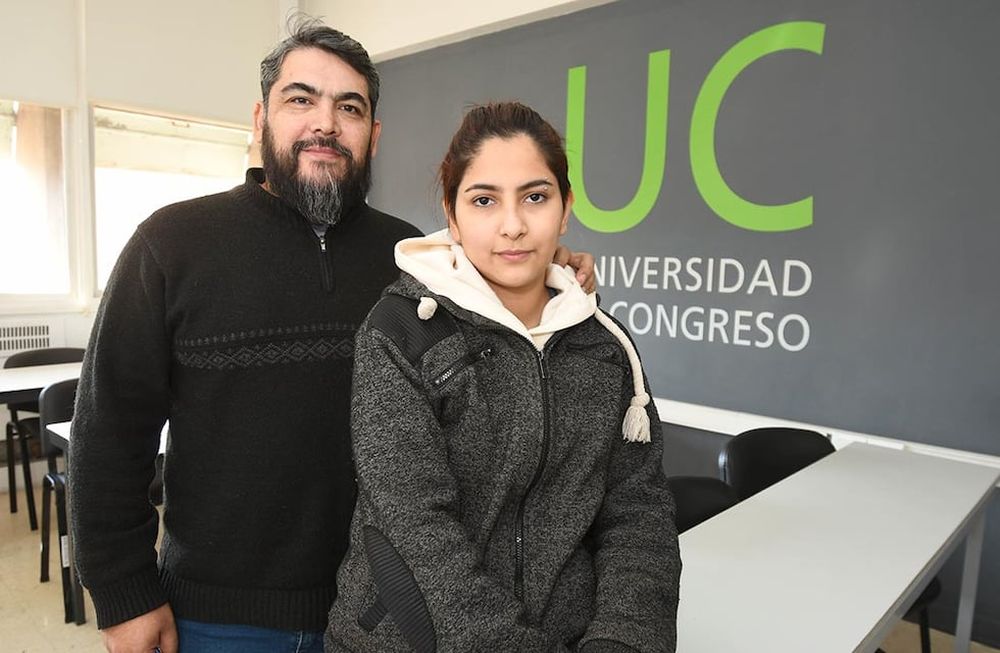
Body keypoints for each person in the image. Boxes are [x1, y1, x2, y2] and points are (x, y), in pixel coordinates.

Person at [69, 21, 595, 653]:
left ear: (372, 136)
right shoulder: (171, 244)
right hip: (218, 615)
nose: (325, 122)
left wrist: (553, 266)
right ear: (261, 119)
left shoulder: (417, 259)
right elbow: (106, 435)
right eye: (301, 99)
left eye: (349, 107)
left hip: (387, 612)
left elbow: (512, 306)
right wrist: (125, 593)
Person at [325, 102, 679, 652]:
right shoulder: (402, 330)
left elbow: (639, 520)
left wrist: (623, 642)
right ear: (452, 212)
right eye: (484, 200)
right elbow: (417, 530)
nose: (512, 225)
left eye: (535, 197)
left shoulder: (605, 349)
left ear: (565, 211)